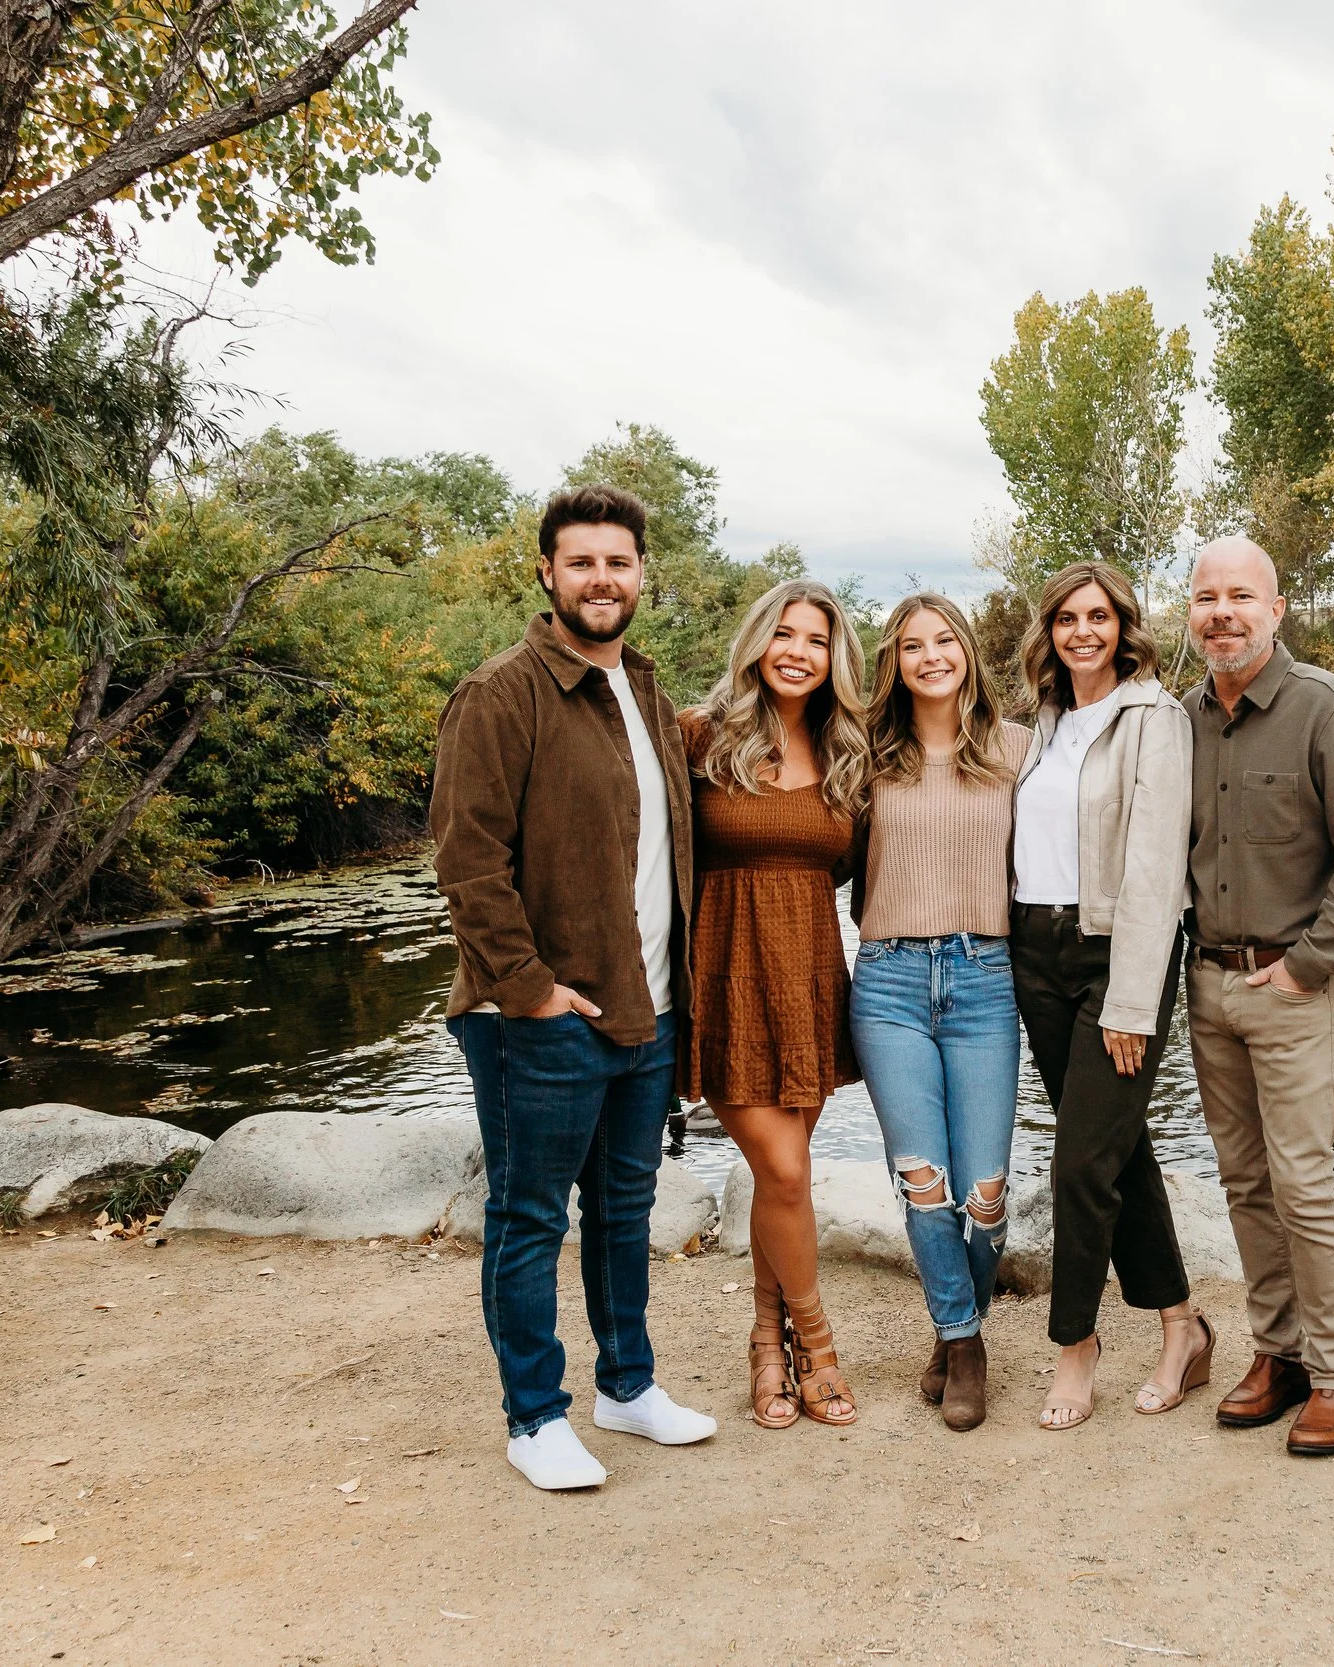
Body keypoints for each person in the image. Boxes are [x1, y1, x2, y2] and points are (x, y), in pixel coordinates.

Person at [430, 483, 719, 1493]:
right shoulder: (501, 693)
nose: (603, 578)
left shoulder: (640, 688)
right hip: (542, 1017)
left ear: (642, 575)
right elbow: (467, 859)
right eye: (583, 562)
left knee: (625, 1208)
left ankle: (627, 1386)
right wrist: (526, 986)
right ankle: (533, 1414)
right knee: (529, 1216)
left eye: (619, 562)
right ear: (547, 573)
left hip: (643, 1008)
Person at [1182, 536, 1334, 1458]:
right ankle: (1280, 1353)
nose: (1221, 612)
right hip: (1207, 983)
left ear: (1277, 609)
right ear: (1189, 612)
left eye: (1241, 596)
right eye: (1205, 597)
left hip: (1295, 987)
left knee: (1304, 1181)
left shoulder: (1328, 711)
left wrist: (1310, 966)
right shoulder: (1176, 720)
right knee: (1244, 1181)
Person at [1008, 562, 1207, 1431]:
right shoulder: (1040, 724)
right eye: (1066, 618)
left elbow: (1159, 865)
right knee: (1119, 1150)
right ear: (1047, 630)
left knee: (1080, 1162)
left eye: (1098, 617)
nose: (1082, 631)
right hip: (1033, 952)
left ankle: (1075, 1346)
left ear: (1124, 626)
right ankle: (1182, 1327)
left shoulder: (1154, 718)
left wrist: (1133, 999)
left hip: (1111, 956)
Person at [680, 580, 870, 1431]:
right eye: (784, 634)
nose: (798, 650)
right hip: (722, 975)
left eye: (817, 640)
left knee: (774, 1177)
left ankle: (766, 1344)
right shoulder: (697, 735)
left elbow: (852, 866)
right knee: (787, 1172)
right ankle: (818, 1348)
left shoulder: (847, 752)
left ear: (836, 658)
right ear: (758, 640)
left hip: (809, 977)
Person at [847, 593, 1030, 1430]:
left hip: (986, 978)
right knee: (925, 1183)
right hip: (887, 981)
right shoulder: (865, 761)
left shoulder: (1017, 750)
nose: (930, 656)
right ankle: (963, 1343)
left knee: (986, 1190)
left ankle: (957, 1320)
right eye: (912, 645)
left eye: (944, 640)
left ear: (967, 652)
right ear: (894, 661)